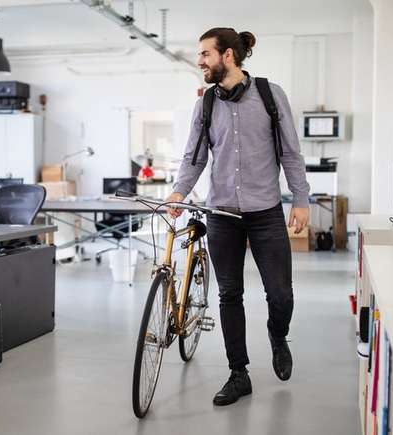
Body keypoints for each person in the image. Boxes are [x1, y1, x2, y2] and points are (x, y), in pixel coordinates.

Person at [167, 28, 310, 406]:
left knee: (281, 294)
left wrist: (301, 198)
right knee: (230, 294)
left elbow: (291, 153)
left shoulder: (269, 95)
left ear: (228, 55)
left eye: (204, 54)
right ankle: (238, 373)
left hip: (266, 213)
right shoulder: (205, 105)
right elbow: (194, 157)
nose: (199, 61)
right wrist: (179, 191)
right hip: (221, 214)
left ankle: (278, 337)